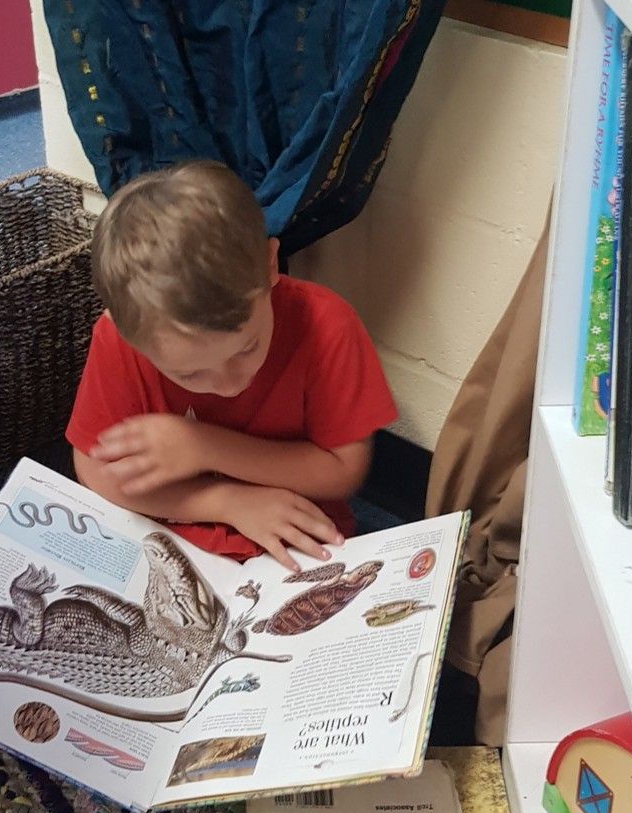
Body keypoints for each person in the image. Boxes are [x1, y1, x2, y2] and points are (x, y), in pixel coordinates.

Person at [66, 160, 398, 570]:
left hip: (295, 538)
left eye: (246, 348)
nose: (228, 384)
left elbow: (344, 472)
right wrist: (225, 501)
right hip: (172, 531)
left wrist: (201, 446)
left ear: (270, 266)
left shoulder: (329, 326)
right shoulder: (118, 338)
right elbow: (95, 469)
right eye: (189, 374)